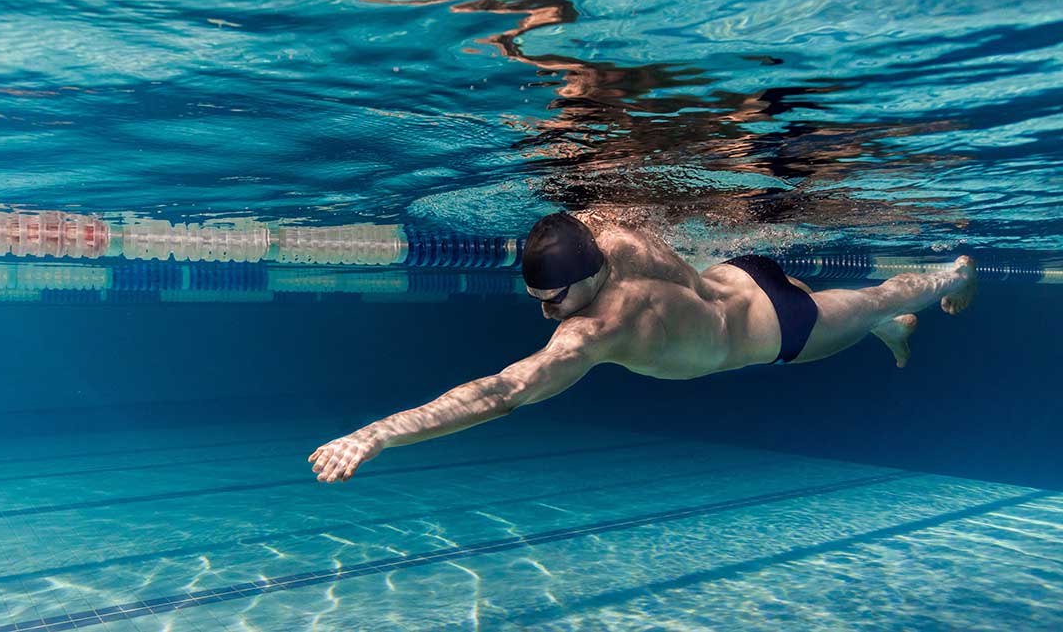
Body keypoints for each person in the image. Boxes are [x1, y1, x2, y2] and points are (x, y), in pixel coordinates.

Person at [308, 212, 977, 483]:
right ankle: (891, 329)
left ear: (590, 276)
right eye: (536, 297)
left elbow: (502, 392)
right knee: (872, 315)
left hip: (779, 329)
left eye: (554, 298)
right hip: (743, 274)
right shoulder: (606, 235)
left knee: (880, 297)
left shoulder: (599, 328)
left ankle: (955, 275)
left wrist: (377, 433)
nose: (545, 312)